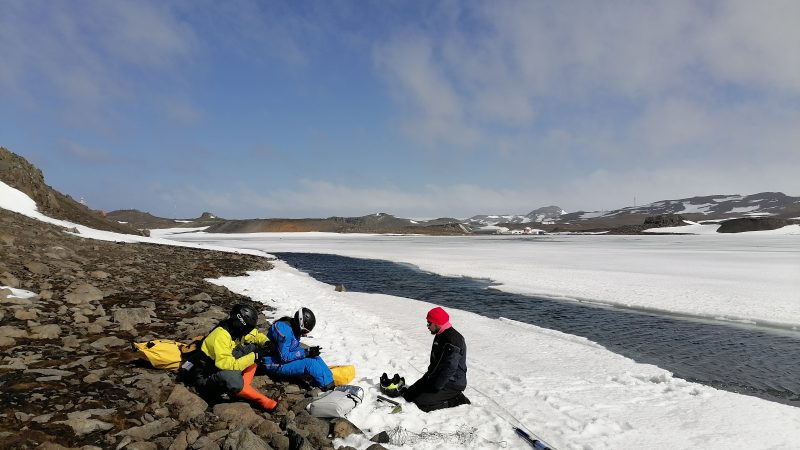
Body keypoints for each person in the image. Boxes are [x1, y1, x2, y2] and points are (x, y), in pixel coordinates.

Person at [179, 304, 277, 411]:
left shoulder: (234, 329)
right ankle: (255, 397)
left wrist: (266, 342)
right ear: (240, 323)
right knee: (233, 378)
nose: (248, 331)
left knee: (254, 348)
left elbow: (254, 334)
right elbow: (228, 366)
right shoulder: (220, 336)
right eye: (247, 328)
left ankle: (244, 388)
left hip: (224, 361)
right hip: (206, 376)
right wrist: (254, 357)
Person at [402, 306, 470, 412]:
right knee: (408, 395)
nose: (427, 326)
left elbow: (449, 369)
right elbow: (437, 362)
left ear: (437, 323)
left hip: (452, 382)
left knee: (420, 403)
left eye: (429, 323)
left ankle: (457, 400)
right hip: (436, 377)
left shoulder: (453, 340)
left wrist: (435, 387)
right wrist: (427, 379)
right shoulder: (440, 334)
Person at [260, 307, 334, 389]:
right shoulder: (284, 331)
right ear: (299, 324)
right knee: (309, 363)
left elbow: (294, 348)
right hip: (272, 362)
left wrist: (309, 352)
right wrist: (305, 352)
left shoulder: (294, 328)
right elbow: (284, 357)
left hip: (282, 360)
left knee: (315, 357)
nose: (304, 334)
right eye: (304, 331)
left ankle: (330, 382)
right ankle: (327, 387)